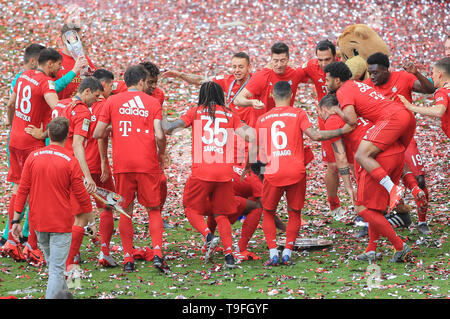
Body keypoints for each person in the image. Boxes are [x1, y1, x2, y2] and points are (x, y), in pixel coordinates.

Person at [254, 81, 352, 266]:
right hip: (295, 171)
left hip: (273, 172)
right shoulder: (298, 114)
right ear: (291, 95)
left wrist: (261, 174)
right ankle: (288, 252)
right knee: (294, 212)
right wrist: (342, 130)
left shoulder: (262, 119)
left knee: (268, 212)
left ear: (272, 96)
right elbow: (315, 136)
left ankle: (273, 252)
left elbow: (259, 152)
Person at [162, 81, 257, 269]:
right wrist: (248, 165)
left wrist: (161, 115)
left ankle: (208, 235)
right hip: (224, 172)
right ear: (220, 96)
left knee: (189, 207)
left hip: (202, 170)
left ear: (202, 96)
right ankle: (229, 254)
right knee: (220, 213)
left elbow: (169, 129)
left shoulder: (196, 112)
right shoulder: (231, 114)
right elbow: (253, 136)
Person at [318, 94, 412, 262]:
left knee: (362, 208)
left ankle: (399, 246)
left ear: (324, 109)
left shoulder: (331, 119)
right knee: (374, 208)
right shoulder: (355, 111)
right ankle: (372, 248)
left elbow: (340, 157)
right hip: (395, 152)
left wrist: (348, 187)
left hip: (377, 158)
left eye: (320, 113)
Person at [93, 65, 167, 273]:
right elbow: (160, 135)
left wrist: (112, 127)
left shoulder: (112, 101)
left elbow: (98, 133)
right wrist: (161, 153)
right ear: (142, 82)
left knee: (125, 211)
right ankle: (158, 253)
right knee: (153, 209)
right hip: (147, 162)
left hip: (123, 164)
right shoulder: (152, 102)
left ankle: (128, 258)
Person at [10, 117, 93, 299]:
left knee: (54, 265)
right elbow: (81, 195)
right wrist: (92, 220)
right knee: (56, 268)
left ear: (48, 134)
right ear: (66, 136)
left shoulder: (34, 157)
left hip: (38, 223)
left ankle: (65, 295)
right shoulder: (70, 161)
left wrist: (16, 219)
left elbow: (22, 189)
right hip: (60, 224)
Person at [324, 61, 416, 212]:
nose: (326, 83)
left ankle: (392, 190)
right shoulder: (357, 84)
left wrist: (337, 110)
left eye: (328, 79)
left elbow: (352, 120)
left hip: (392, 118)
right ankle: (406, 198)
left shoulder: (343, 91)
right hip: (406, 116)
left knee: (361, 155)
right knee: (395, 152)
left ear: (337, 80)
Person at [2, 48, 62, 263]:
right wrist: (45, 133)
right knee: (37, 193)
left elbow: (10, 103)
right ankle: (32, 246)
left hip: (15, 141)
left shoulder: (23, 76)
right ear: (49, 64)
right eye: (58, 65)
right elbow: (58, 111)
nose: (60, 68)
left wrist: (11, 122)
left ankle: (11, 240)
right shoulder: (47, 83)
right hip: (32, 144)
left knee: (18, 189)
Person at [364, 52, 435, 233]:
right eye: (369, 73)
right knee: (380, 181)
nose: (372, 77)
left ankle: (422, 221)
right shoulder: (366, 86)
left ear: (387, 70)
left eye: (376, 73)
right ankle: (375, 221)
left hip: (405, 139)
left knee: (419, 179)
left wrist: (416, 73)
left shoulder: (402, 78)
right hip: (382, 142)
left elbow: (429, 89)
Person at [298, 39, 345, 217]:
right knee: (332, 166)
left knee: (357, 164)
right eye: (320, 60)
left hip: (348, 119)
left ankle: (364, 206)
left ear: (336, 56)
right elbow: (293, 75)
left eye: (327, 59)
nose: (324, 64)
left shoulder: (346, 67)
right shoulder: (311, 66)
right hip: (326, 122)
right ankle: (334, 204)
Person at [162, 52, 254, 126]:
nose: (237, 70)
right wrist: (179, 75)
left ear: (249, 67)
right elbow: (201, 80)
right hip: (232, 126)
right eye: (234, 67)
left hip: (250, 128)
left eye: (241, 67)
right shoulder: (227, 80)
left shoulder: (256, 81)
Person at [90, 69, 119, 266]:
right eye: (111, 85)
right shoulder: (104, 105)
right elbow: (100, 136)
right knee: (108, 206)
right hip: (95, 165)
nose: (112, 88)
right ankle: (104, 251)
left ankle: (73, 255)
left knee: (78, 211)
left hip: (77, 163)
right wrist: (103, 162)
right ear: (104, 86)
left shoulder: (78, 105)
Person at [400, 57, 449, 143]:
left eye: (433, 73)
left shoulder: (443, 92)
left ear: (440, 74)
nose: (432, 76)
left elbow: (439, 111)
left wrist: (410, 107)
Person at [57, 23, 97, 99]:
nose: (80, 43)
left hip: (78, 107)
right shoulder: (55, 59)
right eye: (77, 39)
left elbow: (97, 80)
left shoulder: (84, 59)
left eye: (80, 39)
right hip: (60, 107)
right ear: (65, 40)